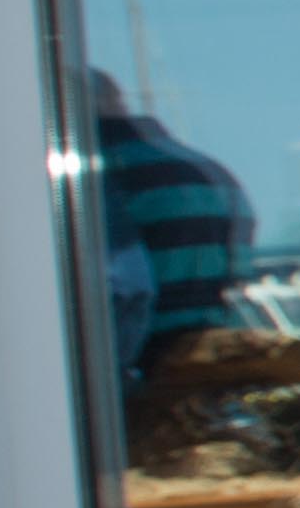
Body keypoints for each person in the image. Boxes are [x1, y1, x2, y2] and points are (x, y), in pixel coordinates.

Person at [88, 71, 253, 375]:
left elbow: (125, 293)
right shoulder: (213, 172)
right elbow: (237, 281)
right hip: (211, 367)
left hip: (146, 373)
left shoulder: (96, 176)